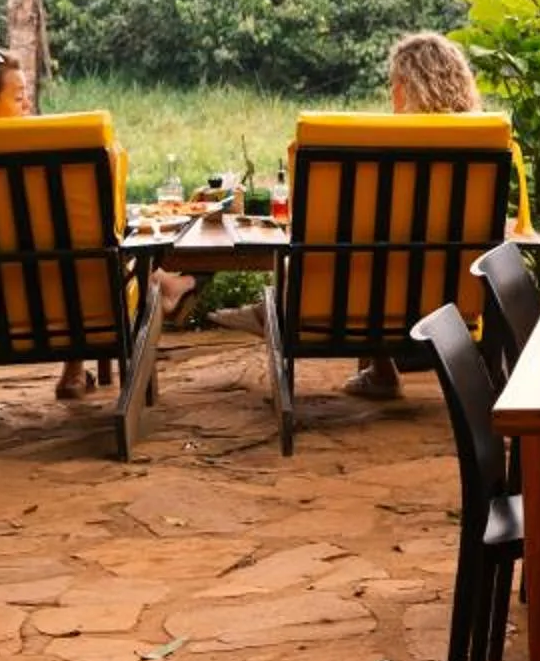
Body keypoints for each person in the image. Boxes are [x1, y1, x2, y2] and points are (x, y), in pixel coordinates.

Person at [214, 32, 521, 400]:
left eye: (394, 84)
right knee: (398, 256)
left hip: (345, 305)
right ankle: (379, 371)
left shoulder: (373, 151)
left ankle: (274, 315)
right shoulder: (485, 146)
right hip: (453, 306)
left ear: (404, 88)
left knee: (369, 249)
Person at [0, 39, 200, 400]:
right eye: (19, 96)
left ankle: (81, 365)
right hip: (63, 306)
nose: (27, 104)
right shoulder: (43, 161)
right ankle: (162, 285)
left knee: (56, 253)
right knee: (77, 253)